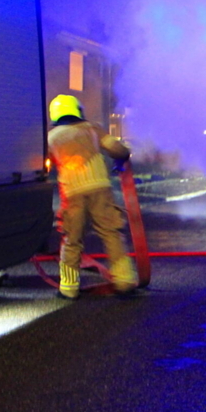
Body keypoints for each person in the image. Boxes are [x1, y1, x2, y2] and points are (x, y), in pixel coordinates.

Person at [47, 94, 138, 299]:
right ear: (77, 111)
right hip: (100, 189)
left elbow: (44, 165)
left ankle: (68, 289)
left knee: (72, 239)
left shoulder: (51, 138)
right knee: (110, 234)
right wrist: (123, 157)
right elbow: (117, 149)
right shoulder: (92, 128)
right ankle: (124, 282)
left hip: (72, 194)